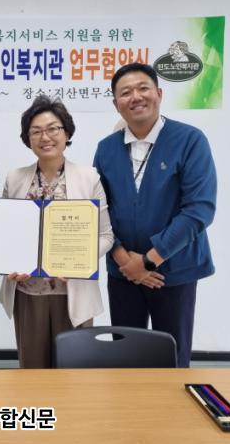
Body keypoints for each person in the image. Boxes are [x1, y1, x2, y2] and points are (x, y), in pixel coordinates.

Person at [93, 63, 217, 367]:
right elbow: (99, 209)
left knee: (171, 360)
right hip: (123, 272)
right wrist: (125, 260)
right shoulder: (106, 149)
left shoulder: (190, 140)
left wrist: (148, 261)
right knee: (125, 358)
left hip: (173, 272)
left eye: (143, 88)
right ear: (116, 104)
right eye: (125, 92)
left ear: (159, 94)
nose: (136, 97)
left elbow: (199, 209)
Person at [0, 96, 114, 368]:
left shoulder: (89, 177)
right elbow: (3, 234)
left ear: (67, 132)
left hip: (73, 290)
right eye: (36, 131)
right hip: (28, 291)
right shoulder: (15, 178)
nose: (45, 137)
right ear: (27, 138)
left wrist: (78, 262)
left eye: (53, 129)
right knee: (33, 371)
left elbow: (106, 236)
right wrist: (8, 264)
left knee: (74, 372)